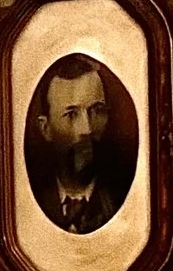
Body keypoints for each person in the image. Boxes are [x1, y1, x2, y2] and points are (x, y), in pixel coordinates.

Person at [30, 55, 122, 233]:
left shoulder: (121, 196)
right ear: (46, 128)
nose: (86, 129)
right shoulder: (30, 201)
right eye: (71, 114)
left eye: (97, 111)